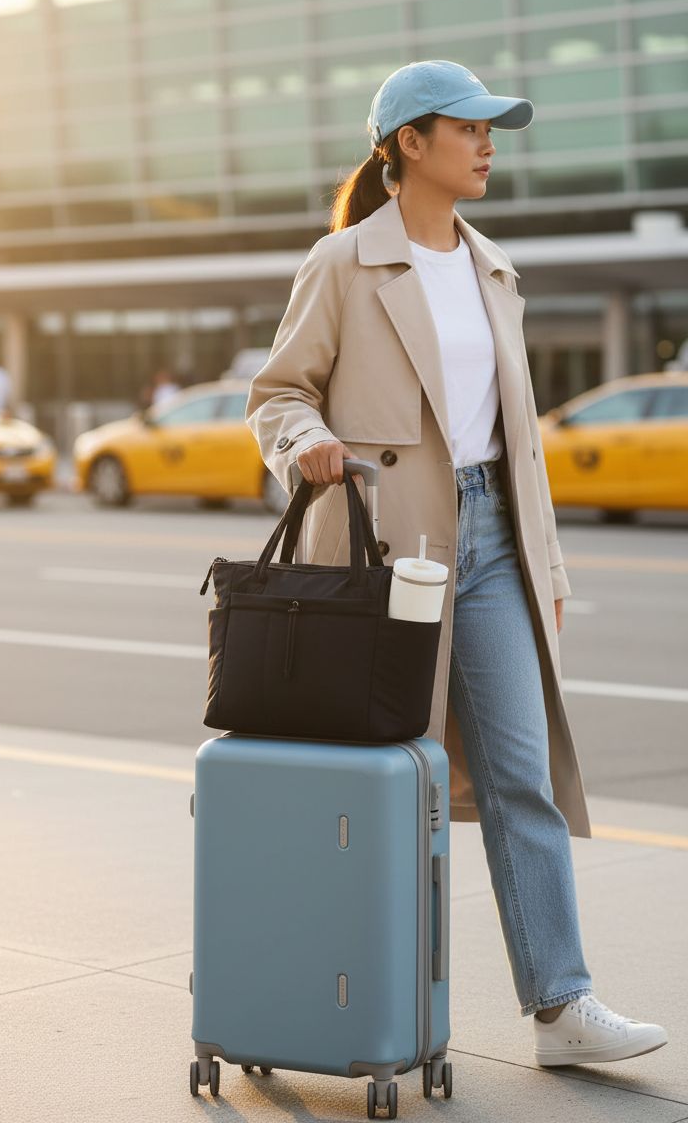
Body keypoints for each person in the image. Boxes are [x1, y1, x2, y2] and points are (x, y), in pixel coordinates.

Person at [245, 60, 668, 1067]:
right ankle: (355, 1003)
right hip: (388, 553)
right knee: (388, 786)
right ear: (408, 143)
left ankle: (561, 1006)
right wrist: (305, 442)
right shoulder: (343, 263)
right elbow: (276, 394)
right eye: (468, 127)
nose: (486, 145)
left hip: (493, 547)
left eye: (491, 130)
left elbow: (519, 443)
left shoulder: (493, 269)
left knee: (522, 776)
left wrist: (547, 575)